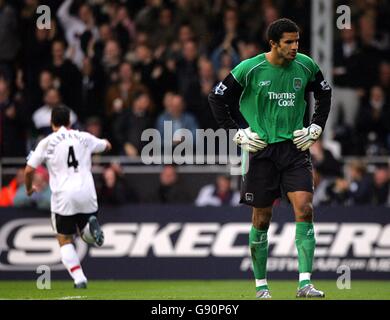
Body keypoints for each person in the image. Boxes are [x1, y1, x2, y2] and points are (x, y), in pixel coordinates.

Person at [208, 18, 331, 298]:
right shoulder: (249, 68)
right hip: (259, 151)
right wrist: (237, 132)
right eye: (288, 42)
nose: (294, 47)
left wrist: (316, 125)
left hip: (295, 148)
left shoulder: (306, 65)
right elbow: (217, 98)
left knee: (305, 208)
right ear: (273, 43)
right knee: (262, 218)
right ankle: (262, 286)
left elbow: (324, 93)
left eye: (297, 41)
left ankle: (305, 283)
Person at [24, 106, 112, 289]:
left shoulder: (47, 142)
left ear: (51, 123)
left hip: (64, 197)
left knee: (64, 239)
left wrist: (29, 188)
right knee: (84, 234)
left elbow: (29, 169)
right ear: (70, 122)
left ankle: (79, 278)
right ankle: (90, 229)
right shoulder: (84, 137)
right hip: (87, 193)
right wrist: (102, 143)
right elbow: (106, 145)